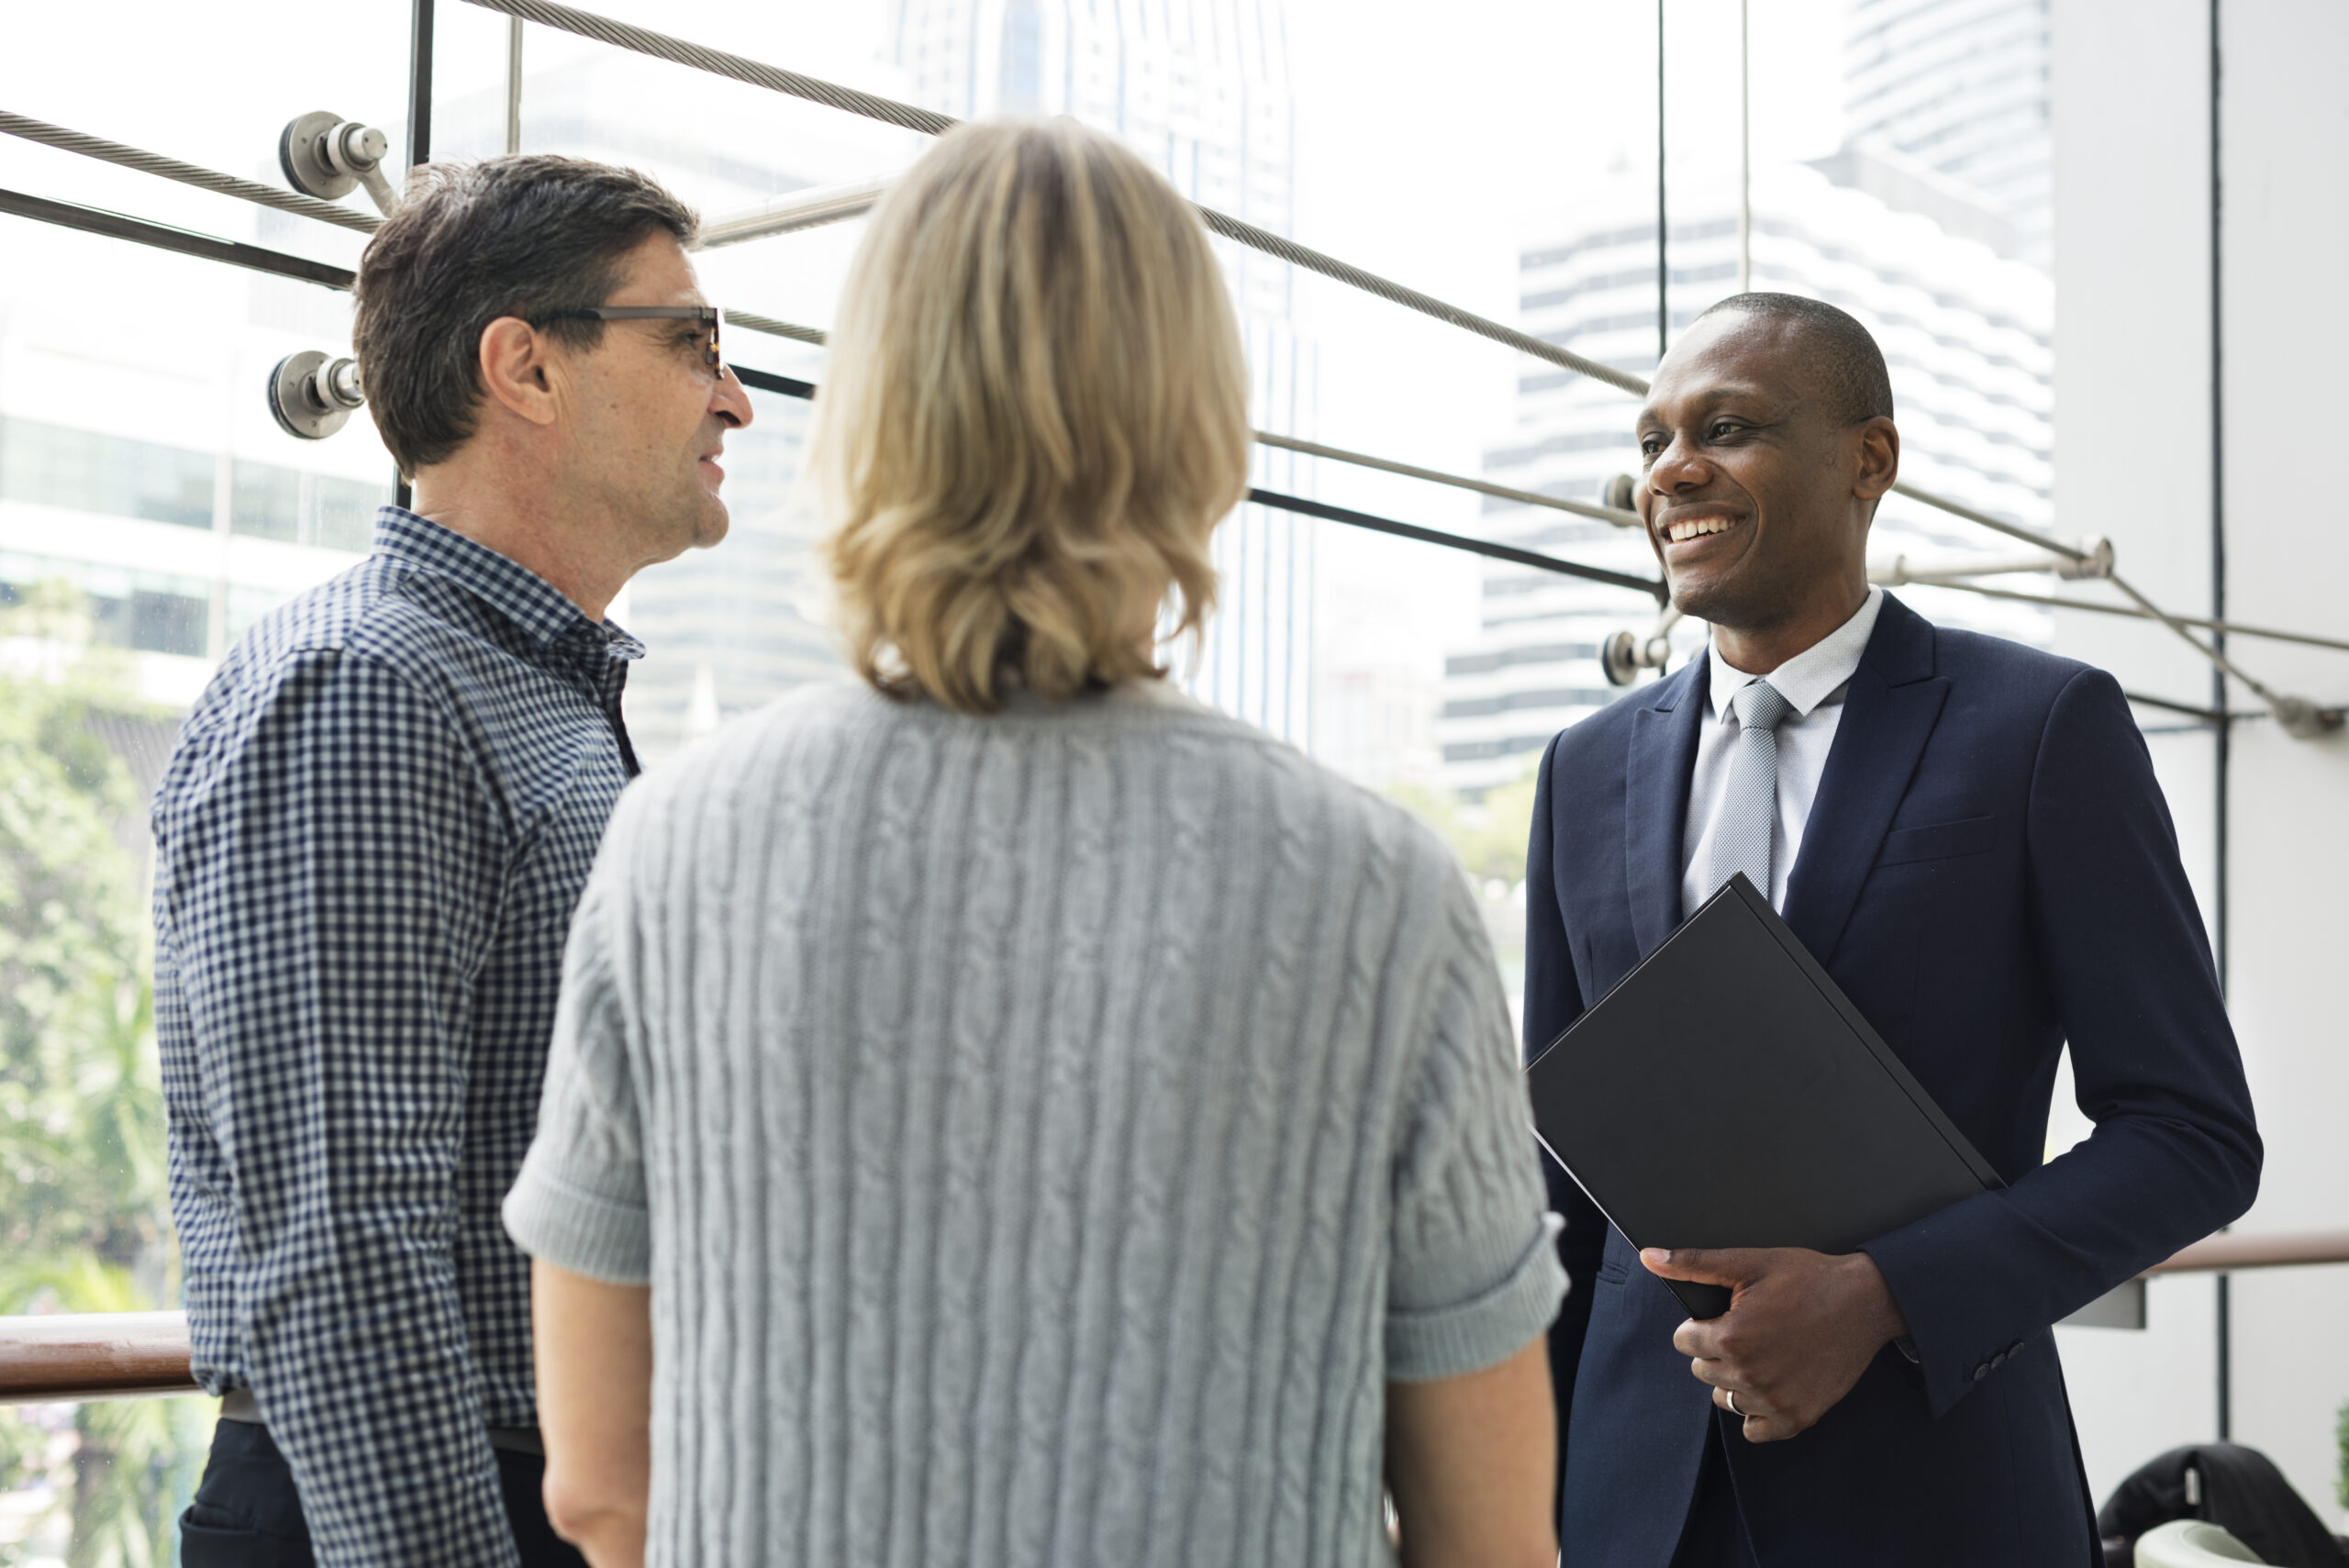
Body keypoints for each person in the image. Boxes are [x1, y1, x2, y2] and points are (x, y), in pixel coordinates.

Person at [499, 117, 1564, 1568]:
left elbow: (601, 1490)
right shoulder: (1381, 892)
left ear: (873, 409)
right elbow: (1489, 1541)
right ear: (1202, 427)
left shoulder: (674, 849)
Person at [1523, 294, 2261, 1567]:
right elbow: (1555, 1185)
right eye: (1650, 442)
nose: (1672, 469)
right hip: (1629, 1506)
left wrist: (1885, 1296)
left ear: (1871, 459)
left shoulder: (2039, 727)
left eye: (1728, 426)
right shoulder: (1581, 769)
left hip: (1937, 1490)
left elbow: (2192, 1134)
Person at [154, 154, 753, 1567]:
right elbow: (343, 1242)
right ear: (525, 368)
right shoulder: (368, 688)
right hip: (414, 1513)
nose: (732, 397)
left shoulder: (526, 693)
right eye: (693, 344)